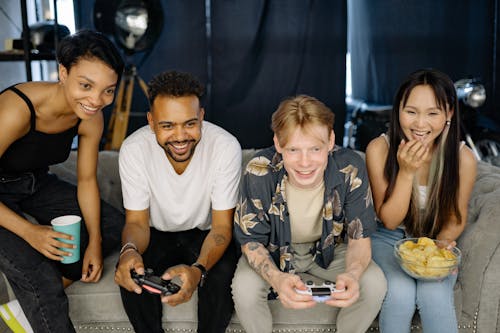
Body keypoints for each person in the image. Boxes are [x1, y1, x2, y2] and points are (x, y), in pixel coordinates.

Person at [0, 29, 125, 333]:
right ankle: (41, 295)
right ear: (63, 72)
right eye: (86, 85)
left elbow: (86, 181)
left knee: (114, 227)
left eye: (108, 90)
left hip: (35, 184)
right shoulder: (17, 109)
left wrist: (94, 241)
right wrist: (30, 232)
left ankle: (26, 308)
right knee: (38, 274)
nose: (96, 100)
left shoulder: (90, 116)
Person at [232, 94, 387, 333]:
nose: (305, 163)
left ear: (331, 140)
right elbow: (251, 242)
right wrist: (276, 279)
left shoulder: (350, 167)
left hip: (330, 249)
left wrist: (354, 274)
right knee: (244, 288)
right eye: (293, 149)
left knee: (374, 283)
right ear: (278, 144)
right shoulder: (258, 170)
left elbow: (359, 239)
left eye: (315, 148)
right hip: (273, 251)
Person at [114, 70, 242, 333]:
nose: (181, 136)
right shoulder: (133, 149)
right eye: (167, 125)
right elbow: (137, 222)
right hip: (155, 234)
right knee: (132, 275)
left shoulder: (226, 147)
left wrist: (198, 270)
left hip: (207, 233)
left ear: (202, 117)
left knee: (221, 278)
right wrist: (129, 251)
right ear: (151, 122)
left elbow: (221, 228)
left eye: (190, 124)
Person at [365, 69, 477, 333]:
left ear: (449, 114)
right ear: (398, 110)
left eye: (433, 113)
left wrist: (439, 248)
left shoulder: (464, 159)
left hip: (436, 240)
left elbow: (455, 217)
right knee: (400, 294)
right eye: (411, 111)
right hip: (387, 237)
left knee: (434, 294)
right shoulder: (379, 149)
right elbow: (390, 220)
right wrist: (406, 173)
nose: (420, 124)